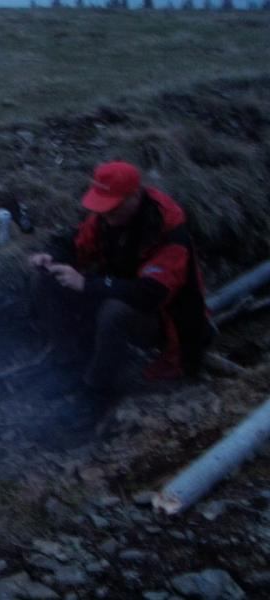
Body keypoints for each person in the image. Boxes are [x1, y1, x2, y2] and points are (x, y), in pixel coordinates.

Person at [28, 161, 212, 435]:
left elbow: (151, 293)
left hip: (166, 321)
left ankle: (97, 390)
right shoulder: (108, 218)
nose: (106, 213)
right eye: (102, 207)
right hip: (119, 293)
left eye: (113, 206)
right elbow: (77, 241)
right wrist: (51, 256)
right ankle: (71, 361)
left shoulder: (167, 231)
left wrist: (87, 284)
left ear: (135, 196)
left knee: (115, 312)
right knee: (45, 280)